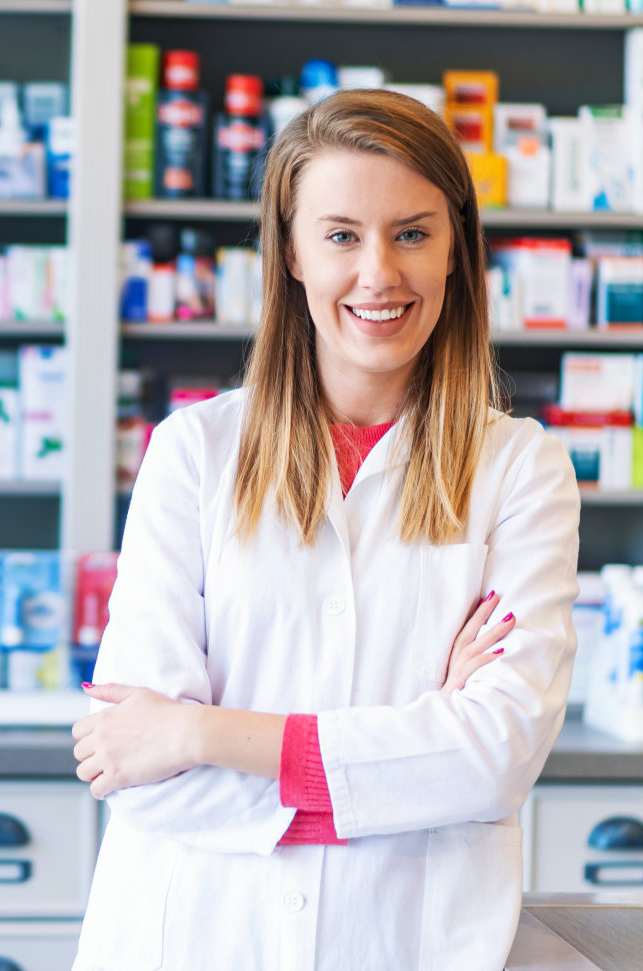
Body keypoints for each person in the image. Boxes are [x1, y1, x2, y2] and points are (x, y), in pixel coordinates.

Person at [71, 89, 580, 971]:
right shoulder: (193, 452)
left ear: (456, 248)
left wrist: (202, 732)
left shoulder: (519, 469)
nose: (379, 273)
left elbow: (494, 758)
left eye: (412, 232)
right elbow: (140, 769)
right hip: (195, 940)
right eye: (342, 234)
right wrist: (413, 764)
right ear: (293, 254)